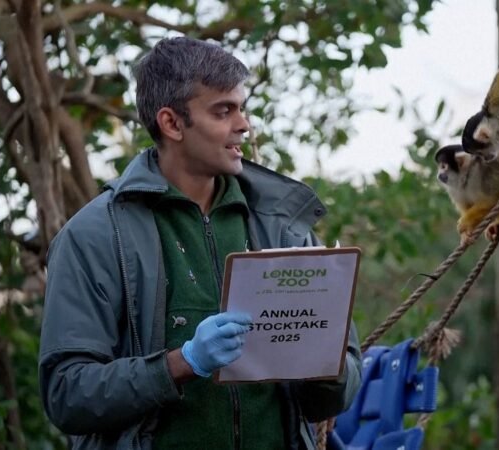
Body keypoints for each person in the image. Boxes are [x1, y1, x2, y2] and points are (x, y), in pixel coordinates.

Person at [38, 36, 362, 449]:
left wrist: (323, 360)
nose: (243, 124)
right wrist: (181, 364)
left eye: (242, 108)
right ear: (172, 123)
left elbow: (342, 384)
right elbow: (66, 394)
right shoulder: (94, 237)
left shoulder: (285, 228)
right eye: (223, 111)